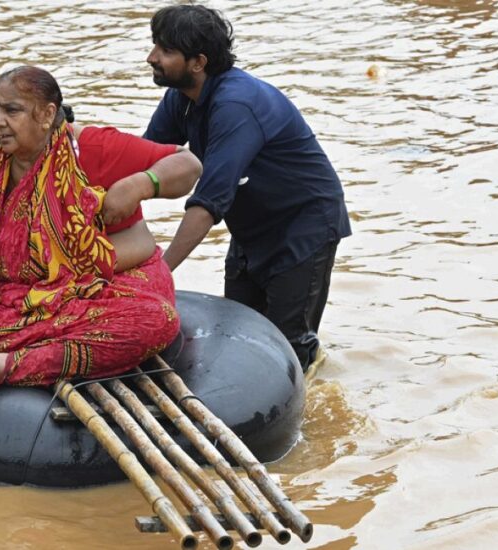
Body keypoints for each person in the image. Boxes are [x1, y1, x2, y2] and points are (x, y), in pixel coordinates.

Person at [0, 65, 202, 399]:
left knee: (155, 321)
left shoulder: (94, 149)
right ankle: (25, 348)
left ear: (46, 115)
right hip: (34, 295)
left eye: (11, 110)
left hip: (116, 285)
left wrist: (141, 184)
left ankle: (10, 364)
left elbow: (188, 164)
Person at [144, 5, 351, 373]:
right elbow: (144, 158)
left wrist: (159, 272)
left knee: (288, 350)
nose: (152, 57)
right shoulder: (182, 98)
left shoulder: (235, 105)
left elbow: (207, 204)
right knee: (238, 335)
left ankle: (313, 412)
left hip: (302, 228)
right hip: (252, 229)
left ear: (198, 62)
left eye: (165, 50)